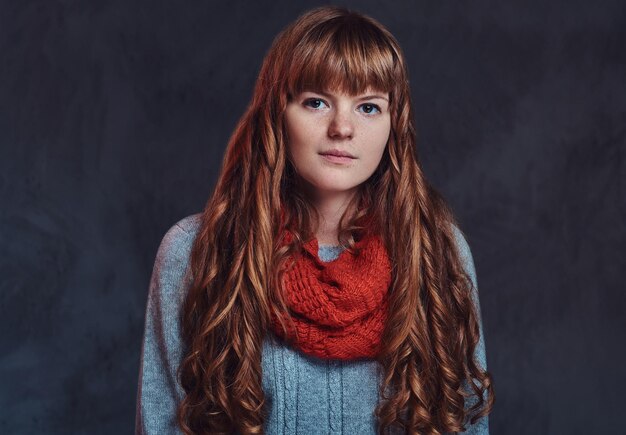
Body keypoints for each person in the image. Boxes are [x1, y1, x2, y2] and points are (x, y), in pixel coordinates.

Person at [135, 5, 495, 435]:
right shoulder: (196, 251)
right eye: (317, 102)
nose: (342, 128)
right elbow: (163, 425)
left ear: (393, 126)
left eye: (368, 107)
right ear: (277, 115)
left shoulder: (438, 251)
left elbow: (466, 423)